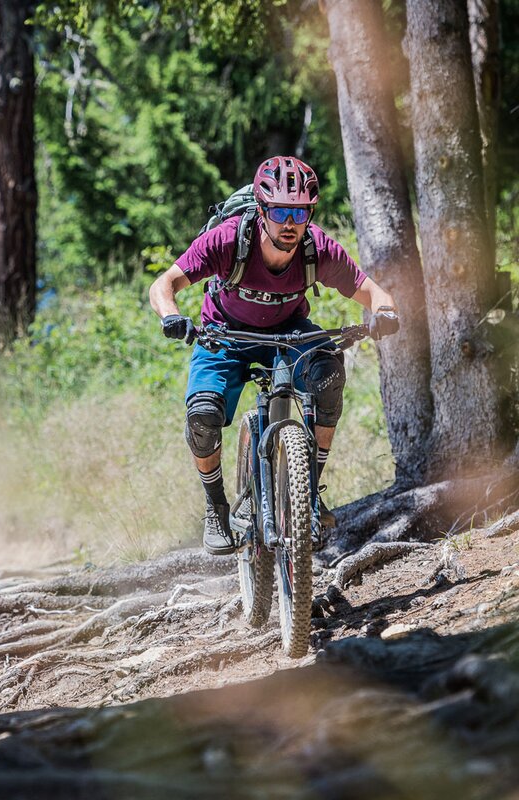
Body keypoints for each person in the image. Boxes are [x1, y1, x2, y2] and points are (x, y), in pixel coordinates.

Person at [149, 156, 399, 555]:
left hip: (288, 332)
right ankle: (216, 506)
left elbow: (372, 291)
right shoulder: (229, 240)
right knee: (203, 418)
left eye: (299, 212)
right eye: (280, 211)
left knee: (329, 376)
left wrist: (384, 312)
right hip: (225, 336)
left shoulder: (317, 249)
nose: (289, 223)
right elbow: (165, 284)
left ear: (309, 213)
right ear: (262, 209)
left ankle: (309, 493)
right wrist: (173, 317)